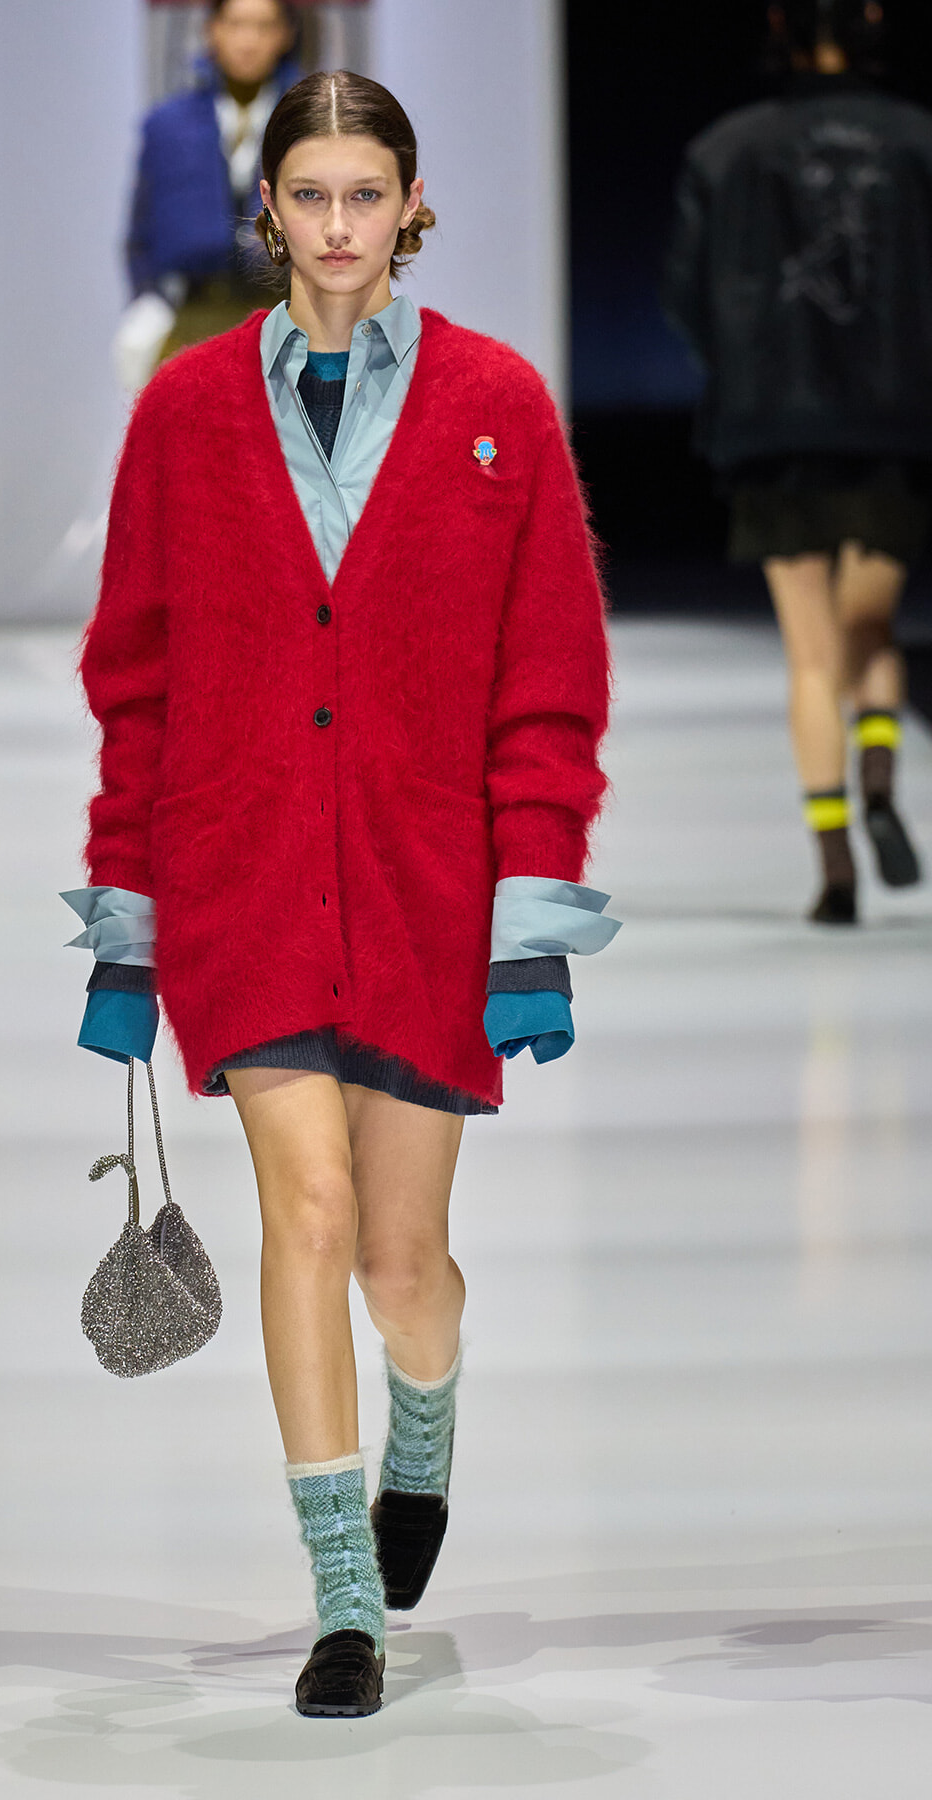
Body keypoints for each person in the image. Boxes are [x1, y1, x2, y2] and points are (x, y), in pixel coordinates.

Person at [65, 70, 619, 1718]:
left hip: (429, 887)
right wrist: (126, 923)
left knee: (400, 1261)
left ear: (411, 207)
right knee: (302, 1213)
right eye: (307, 198)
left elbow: (551, 683)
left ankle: (425, 1429)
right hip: (241, 877)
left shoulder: (501, 407)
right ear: (270, 213)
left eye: (363, 197)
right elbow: (136, 682)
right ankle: (343, 1599)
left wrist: (534, 913)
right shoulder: (181, 414)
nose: (334, 229)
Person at [663, 0, 928, 923]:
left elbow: (686, 294)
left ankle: (835, 868)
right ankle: (883, 779)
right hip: (897, 424)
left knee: (812, 656)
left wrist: (747, 374)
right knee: (872, 629)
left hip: (773, 427)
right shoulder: (918, 143)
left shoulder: (725, 150)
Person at [113, 0, 302, 393]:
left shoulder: (306, 124)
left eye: (264, 27)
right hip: (192, 312)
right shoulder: (168, 126)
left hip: (284, 313)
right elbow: (141, 233)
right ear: (212, 30)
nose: (248, 41)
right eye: (235, 24)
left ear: (285, 35)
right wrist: (146, 303)